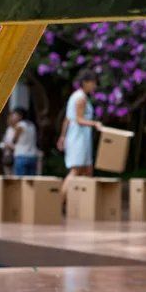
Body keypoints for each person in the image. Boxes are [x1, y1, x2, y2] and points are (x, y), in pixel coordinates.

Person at [60, 69, 101, 197]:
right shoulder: (81, 98)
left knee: (88, 170)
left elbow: (67, 119)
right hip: (78, 138)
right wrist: (95, 124)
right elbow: (79, 119)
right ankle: (57, 203)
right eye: (93, 83)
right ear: (85, 82)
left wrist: (62, 136)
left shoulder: (76, 96)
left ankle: (84, 205)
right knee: (75, 171)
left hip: (77, 137)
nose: (94, 86)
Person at [0, 108, 39, 176]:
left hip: (21, 156)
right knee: (31, 183)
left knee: (19, 182)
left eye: (14, 115)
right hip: (33, 156)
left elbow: (14, 139)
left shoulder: (20, 125)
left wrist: (12, 141)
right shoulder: (31, 124)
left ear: (20, 116)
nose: (12, 117)